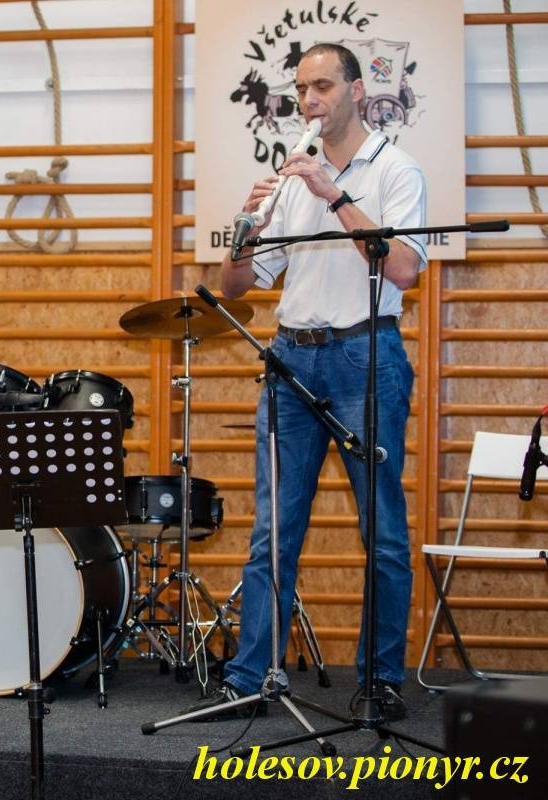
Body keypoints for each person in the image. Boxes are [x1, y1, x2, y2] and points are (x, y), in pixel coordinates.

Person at [190, 43, 426, 722]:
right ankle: (251, 676)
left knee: (382, 531)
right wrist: (246, 232)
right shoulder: (292, 178)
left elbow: (403, 268)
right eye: (301, 89)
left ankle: (380, 680)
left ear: (356, 90)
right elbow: (237, 287)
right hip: (292, 359)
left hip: (365, 357)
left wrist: (335, 193)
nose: (309, 100)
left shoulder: (396, 168)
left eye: (322, 85)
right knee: (273, 530)